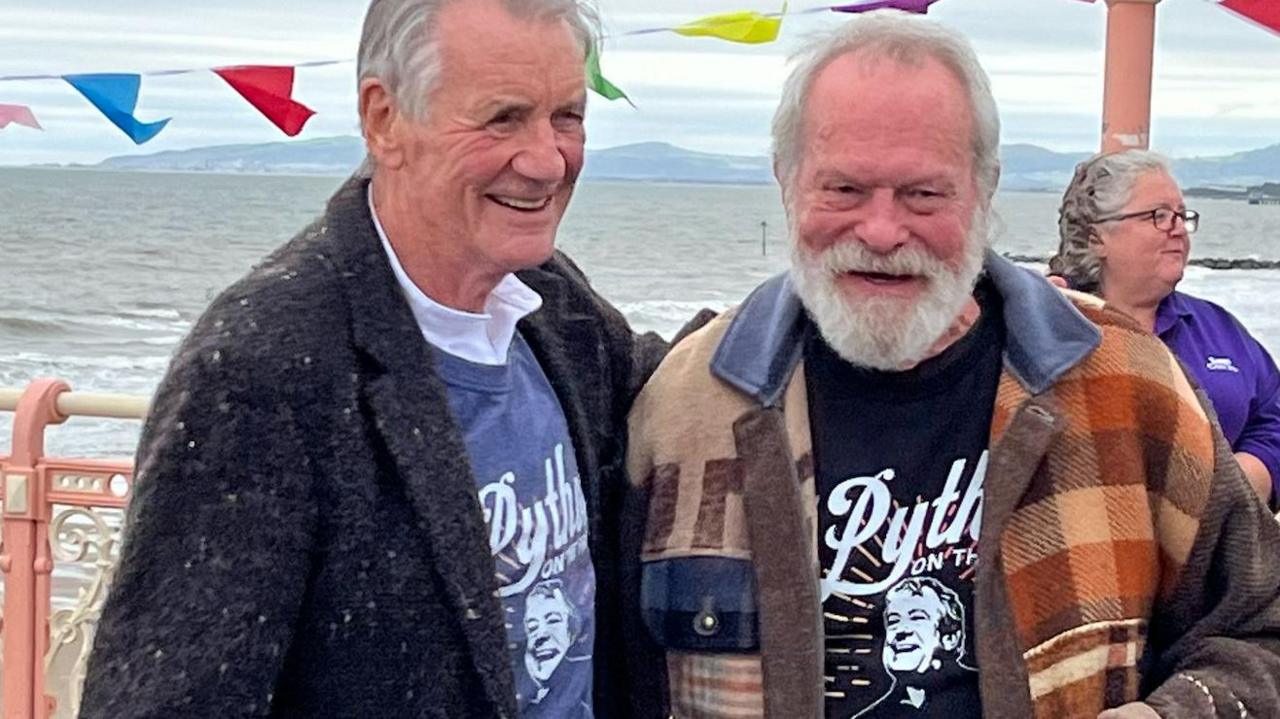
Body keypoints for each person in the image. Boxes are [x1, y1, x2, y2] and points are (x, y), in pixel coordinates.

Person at [623, 11, 1280, 719]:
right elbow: (607, 675)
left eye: (924, 194)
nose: (880, 230)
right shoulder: (686, 403)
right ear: (786, 180)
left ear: (985, 189)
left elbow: (1257, 626)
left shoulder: (1128, 383)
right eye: (843, 189)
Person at [80, 0, 666, 716]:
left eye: (567, 116)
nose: (546, 159)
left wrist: (820, 310)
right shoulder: (263, 366)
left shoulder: (550, 303)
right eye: (502, 118)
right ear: (385, 119)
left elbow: (680, 383)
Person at [1050, 150, 1280, 506]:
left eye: (1181, 215)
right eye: (1157, 216)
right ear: (1096, 238)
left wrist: (1248, 479)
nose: (1177, 228)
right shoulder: (1051, 324)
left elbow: (1273, 413)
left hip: (1215, 550)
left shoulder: (1218, 328)